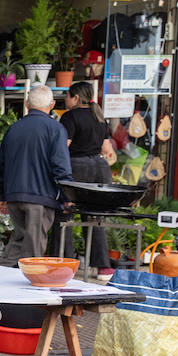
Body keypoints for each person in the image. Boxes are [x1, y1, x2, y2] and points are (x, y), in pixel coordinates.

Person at [0, 85, 72, 264]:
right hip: (41, 197)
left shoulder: (13, 129)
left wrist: (3, 195)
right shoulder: (55, 129)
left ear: (27, 104)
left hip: (14, 195)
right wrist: (68, 195)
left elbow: (1, 166)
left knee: (18, 243)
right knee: (33, 251)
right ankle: (26, 287)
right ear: (52, 104)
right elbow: (60, 165)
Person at [59, 81, 116, 276]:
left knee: (65, 214)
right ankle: (103, 266)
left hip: (77, 168)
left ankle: (65, 263)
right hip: (99, 170)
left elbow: (63, 147)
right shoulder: (99, 116)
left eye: (67, 95)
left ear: (75, 98)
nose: (65, 99)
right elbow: (106, 149)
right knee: (94, 217)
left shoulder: (69, 117)